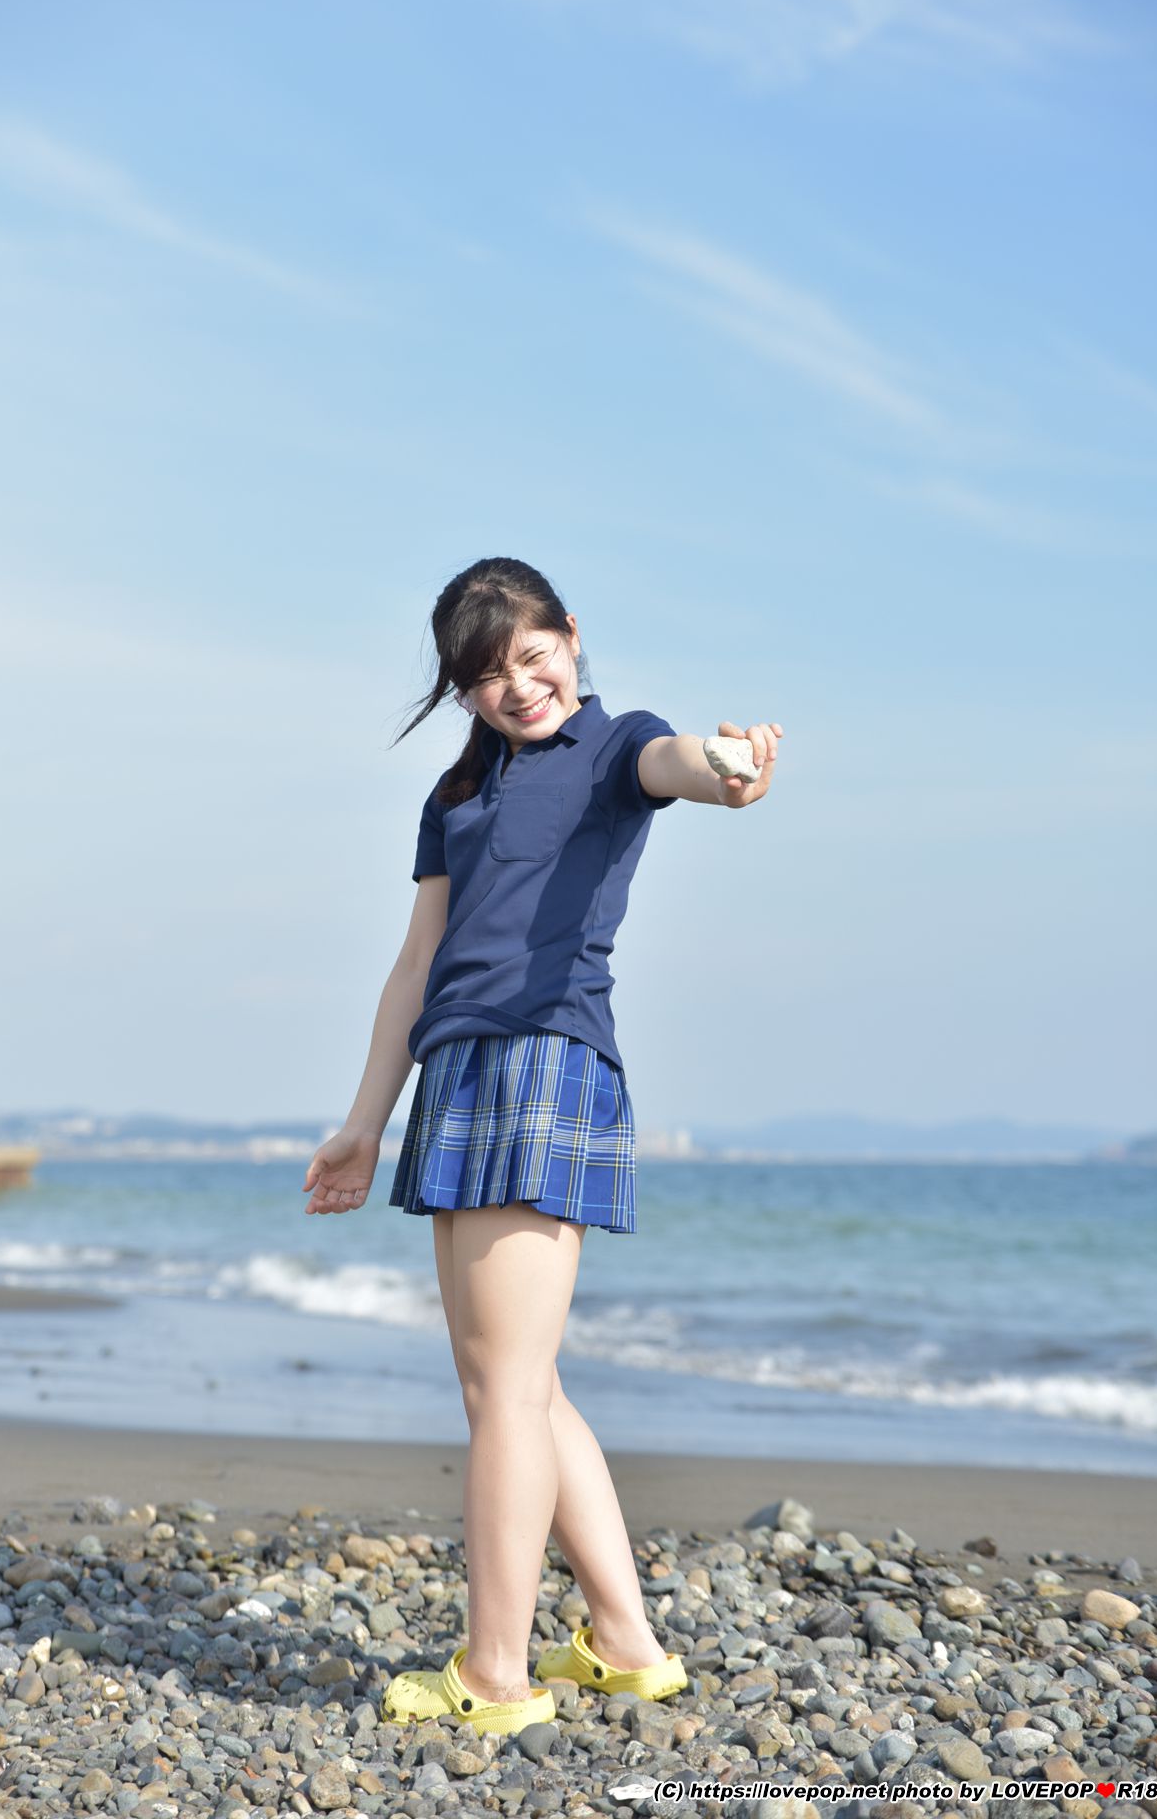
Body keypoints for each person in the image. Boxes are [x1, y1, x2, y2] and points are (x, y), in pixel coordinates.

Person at [302, 556, 783, 1736]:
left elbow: (681, 767)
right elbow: (415, 965)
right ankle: (623, 1644)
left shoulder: (617, 744)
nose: (516, 686)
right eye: (484, 675)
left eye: (531, 656)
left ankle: (495, 1675)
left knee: (504, 1390)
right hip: (459, 1071)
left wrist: (728, 769)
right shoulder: (458, 788)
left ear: (569, 634)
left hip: (543, 1060)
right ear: (458, 688)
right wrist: (363, 1122)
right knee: (519, 1384)